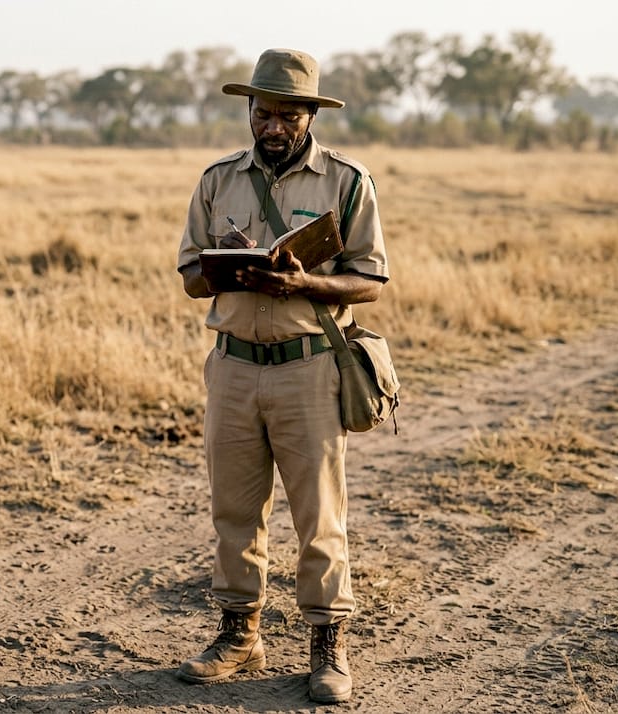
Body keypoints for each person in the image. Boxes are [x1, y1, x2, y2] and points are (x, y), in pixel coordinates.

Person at [174, 48, 388, 704]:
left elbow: (370, 281)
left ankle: (329, 645)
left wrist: (305, 282)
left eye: (287, 116)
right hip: (233, 367)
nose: (272, 126)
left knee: (319, 515)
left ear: (309, 116)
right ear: (250, 111)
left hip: (308, 370)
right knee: (234, 511)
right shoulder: (217, 181)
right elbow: (188, 279)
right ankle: (240, 635)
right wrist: (225, 267)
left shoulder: (347, 182)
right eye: (263, 113)